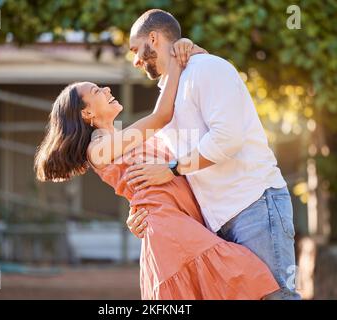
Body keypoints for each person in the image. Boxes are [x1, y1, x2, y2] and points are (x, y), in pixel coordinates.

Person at [34, 39, 279, 300]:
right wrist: (174, 63)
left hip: (186, 218)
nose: (106, 89)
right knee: (244, 276)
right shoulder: (98, 148)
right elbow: (162, 115)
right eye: (96, 91)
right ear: (86, 114)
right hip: (169, 229)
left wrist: (193, 56)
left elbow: (172, 136)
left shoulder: (126, 138)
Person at [125, 9, 301, 299]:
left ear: (153, 38)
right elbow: (170, 171)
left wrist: (172, 168)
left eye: (136, 49)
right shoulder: (170, 93)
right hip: (215, 222)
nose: (135, 60)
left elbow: (227, 139)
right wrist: (143, 213)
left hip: (254, 206)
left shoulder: (206, 69)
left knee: (276, 297)